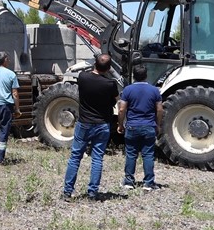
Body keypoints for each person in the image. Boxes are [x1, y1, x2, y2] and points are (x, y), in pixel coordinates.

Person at [62, 53, 118, 201]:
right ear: (108, 68)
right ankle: (92, 193)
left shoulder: (83, 77)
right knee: (97, 158)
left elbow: (84, 72)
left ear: (95, 64)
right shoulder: (110, 84)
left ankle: (68, 191)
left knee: (75, 157)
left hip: (84, 123)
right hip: (102, 124)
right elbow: (117, 100)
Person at [117, 63, 164, 191]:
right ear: (146, 76)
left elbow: (122, 109)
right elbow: (159, 110)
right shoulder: (155, 90)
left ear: (134, 76)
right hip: (149, 126)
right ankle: (148, 183)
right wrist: (158, 124)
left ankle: (128, 182)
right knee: (148, 155)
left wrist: (120, 124)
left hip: (132, 126)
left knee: (131, 154)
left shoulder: (128, 90)